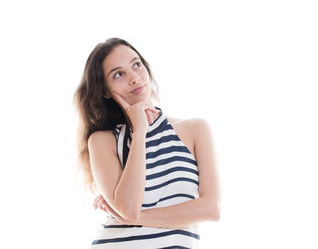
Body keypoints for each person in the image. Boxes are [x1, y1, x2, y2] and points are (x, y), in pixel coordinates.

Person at [73, 37, 221, 248]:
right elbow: (129, 208)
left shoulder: (195, 129)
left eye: (136, 65)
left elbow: (211, 209)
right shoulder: (102, 141)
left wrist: (134, 218)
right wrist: (140, 131)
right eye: (118, 74)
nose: (134, 78)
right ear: (105, 90)